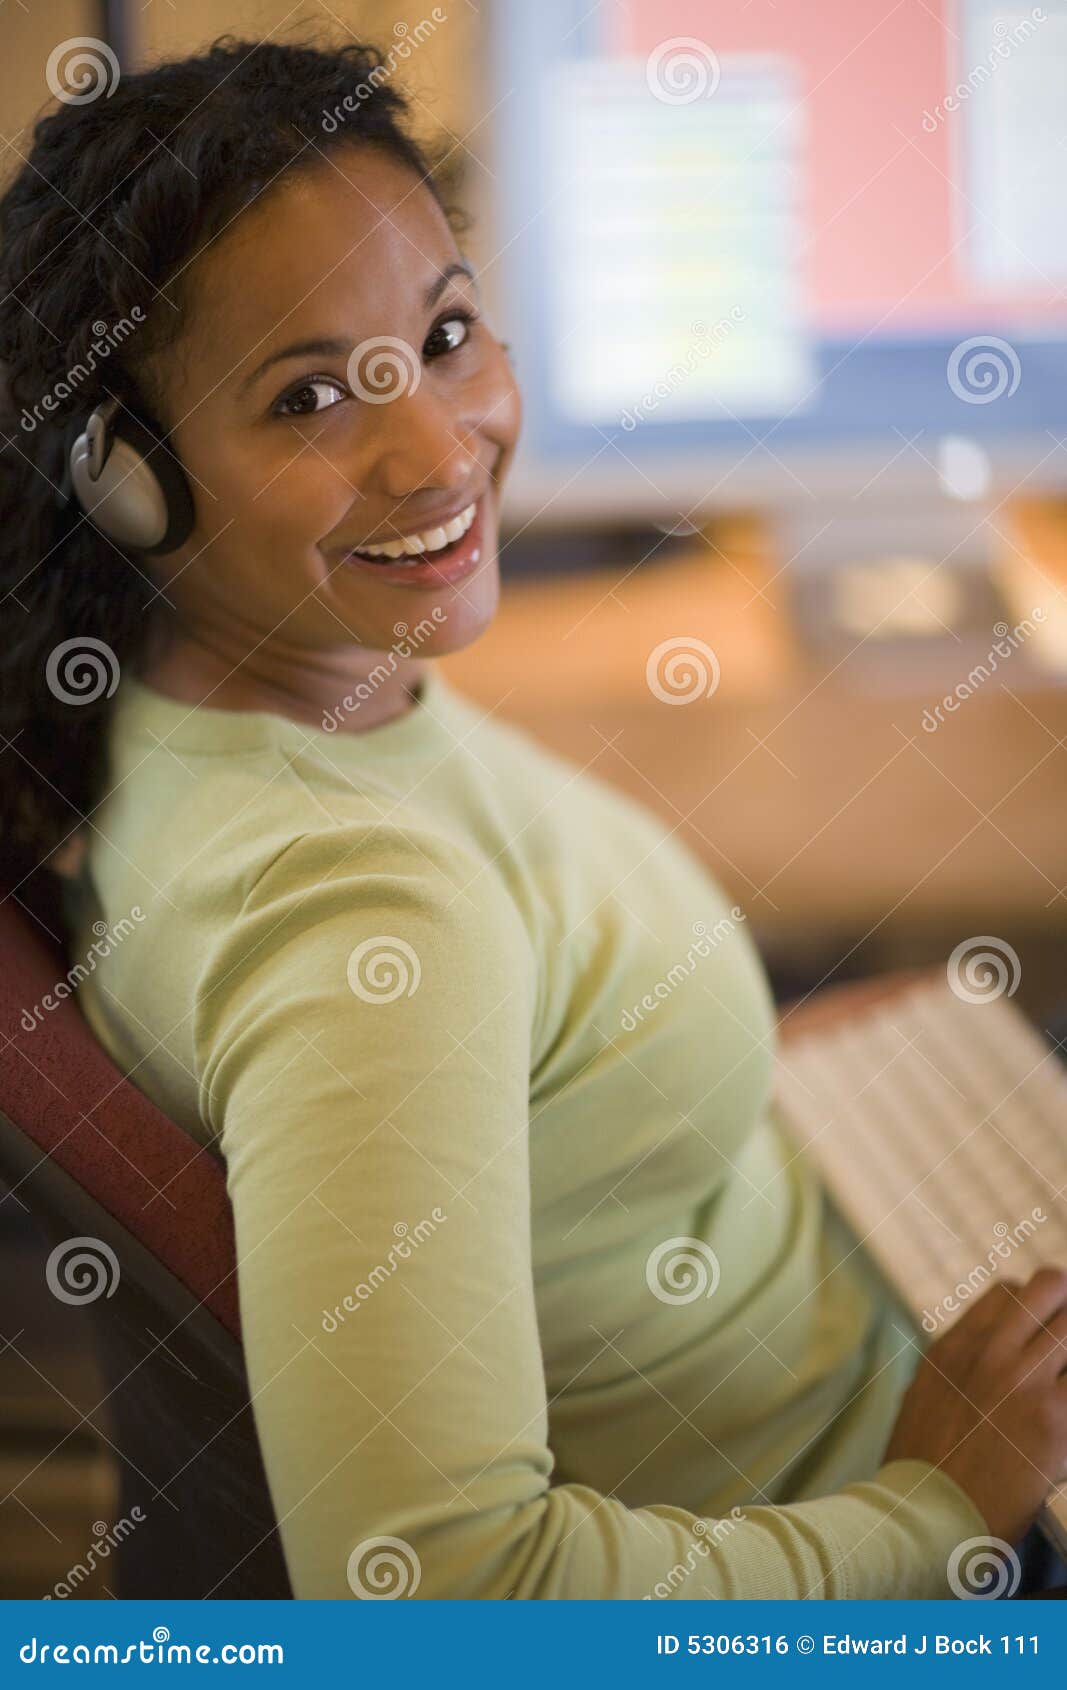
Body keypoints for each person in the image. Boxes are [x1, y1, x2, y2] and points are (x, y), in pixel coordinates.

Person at [2, 36, 1066, 1602]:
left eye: (443, 333)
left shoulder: (226, 702)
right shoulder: (370, 926)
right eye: (307, 397)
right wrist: (944, 1503)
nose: (440, 450)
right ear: (127, 483)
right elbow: (451, 1591)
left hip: (881, 1284)